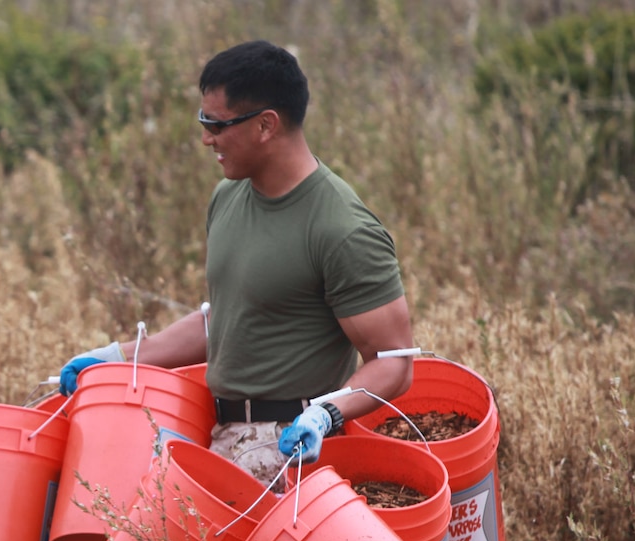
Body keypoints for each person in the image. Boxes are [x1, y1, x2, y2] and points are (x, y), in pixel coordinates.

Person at [59, 39, 414, 485]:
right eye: (203, 121)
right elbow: (228, 321)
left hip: (291, 452)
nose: (207, 138)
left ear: (266, 125)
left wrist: (325, 415)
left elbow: (394, 363)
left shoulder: (342, 228)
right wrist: (117, 357)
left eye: (217, 125)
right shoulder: (228, 196)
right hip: (221, 434)